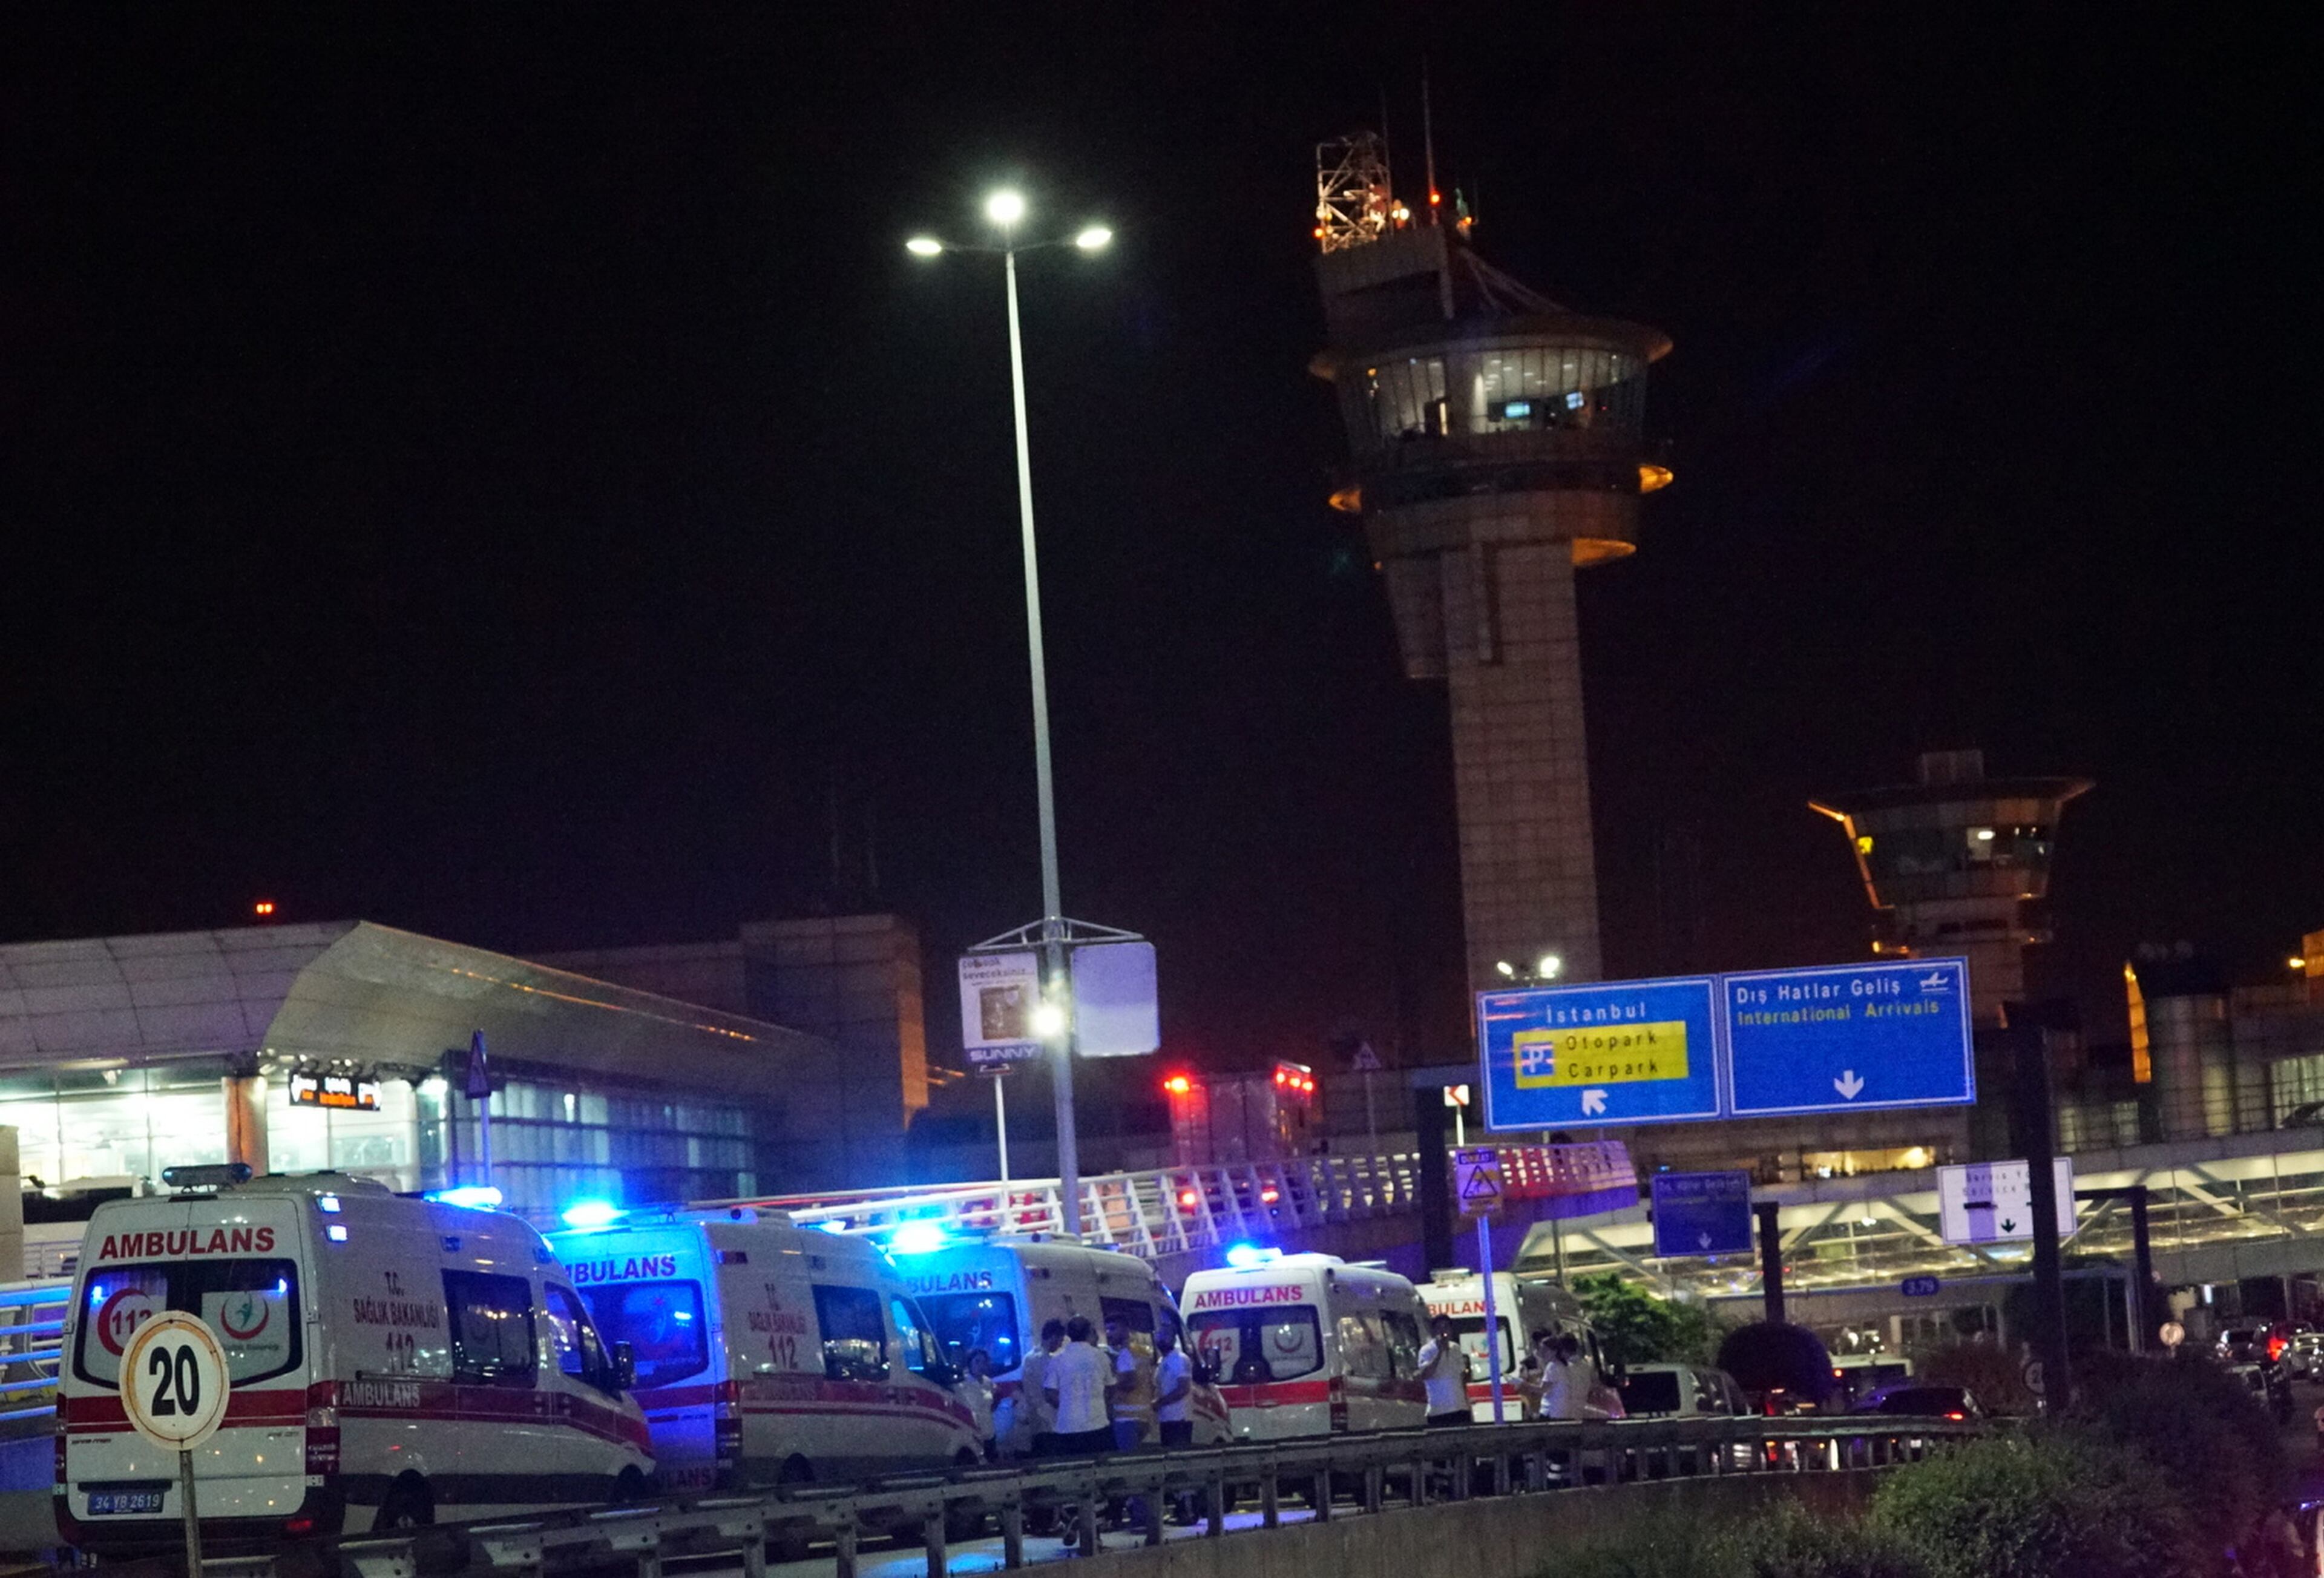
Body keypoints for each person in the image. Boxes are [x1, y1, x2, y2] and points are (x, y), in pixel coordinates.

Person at [1043, 1317, 1117, 1550]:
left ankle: (1075, 1516)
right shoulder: (1100, 1357)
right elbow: (1111, 1387)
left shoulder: (1058, 1360)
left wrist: (1066, 1406)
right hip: (1097, 1426)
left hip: (1067, 1428)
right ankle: (1094, 1533)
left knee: (1071, 1480)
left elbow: (1049, 1393)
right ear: (1089, 1333)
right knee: (1100, 1481)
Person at [1105, 1313, 1154, 1453]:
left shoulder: (1125, 1354)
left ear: (1126, 1330)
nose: (1109, 1334)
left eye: (1113, 1329)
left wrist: (1110, 1388)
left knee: (1127, 1461)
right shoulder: (1142, 1351)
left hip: (1126, 1417)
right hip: (1143, 1415)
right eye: (1107, 1329)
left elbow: (1129, 1383)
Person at [1020, 1320, 1068, 1458]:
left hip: (1045, 1418)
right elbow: (1046, 1390)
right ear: (1053, 1337)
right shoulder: (1037, 1359)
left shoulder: (1036, 1357)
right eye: (1061, 1340)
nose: (1060, 1344)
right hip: (1045, 1419)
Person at [1417, 1313, 1471, 1427]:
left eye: (1446, 1327)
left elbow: (1462, 1377)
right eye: (1439, 1328)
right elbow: (1425, 1374)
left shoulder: (1455, 1348)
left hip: (1459, 1408)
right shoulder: (1426, 1351)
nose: (1443, 1331)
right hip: (1439, 1411)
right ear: (1433, 1331)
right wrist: (1439, 1353)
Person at [960, 1347, 997, 1460]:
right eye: (977, 1362)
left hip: (989, 1431)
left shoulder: (988, 1382)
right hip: (973, 1432)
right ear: (970, 1363)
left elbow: (992, 1402)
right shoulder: (964, 1383)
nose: (981, 1365)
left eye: (984, 1362)